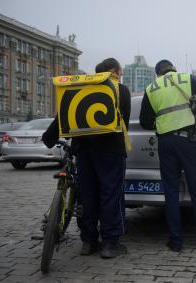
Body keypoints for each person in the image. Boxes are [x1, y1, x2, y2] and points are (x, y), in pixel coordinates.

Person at [42, 58, 131, 258]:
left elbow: (63, 116)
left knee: (87, 195)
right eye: (120, 71)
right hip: (110, 150)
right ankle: (110, 243)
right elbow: (124, 120)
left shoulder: (79, 87)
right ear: (114, 71)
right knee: (111, 195)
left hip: (83, 150)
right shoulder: (119, 88)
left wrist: (48, 139)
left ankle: (88, 242)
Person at [139, 59, 196, 252]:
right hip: (189, 141)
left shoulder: (152, 88)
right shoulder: (189, 79)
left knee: (170, 191)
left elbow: (145, 121)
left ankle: (175, 241)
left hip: (166, 144)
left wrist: (163, 125)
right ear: (174, 69)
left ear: (157, 74)